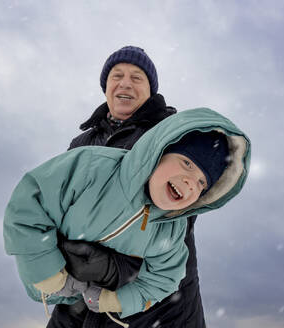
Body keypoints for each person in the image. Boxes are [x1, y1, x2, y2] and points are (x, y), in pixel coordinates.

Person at [3, 108, 251, 326]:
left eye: (201, 182)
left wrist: (116, 300)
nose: (190, 182)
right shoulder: (92, 166)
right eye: (187, 163)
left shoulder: (171, 229)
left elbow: (164, 278)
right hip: (49, 287)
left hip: (95, 307)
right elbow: (30, 201)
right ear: (160, 151)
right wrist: (46, 272)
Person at [47, 46, 201, 328]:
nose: (125, 83)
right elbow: (57, 208)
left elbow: (179, 217)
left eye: (137, 77)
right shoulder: (82, 144)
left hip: (156, 307)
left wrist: (115, 267)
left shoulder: (169, 136)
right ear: (106, 86)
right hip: (80, 297)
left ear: (150, 90)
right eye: (117, 75)